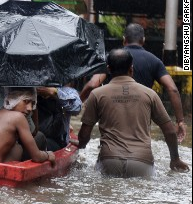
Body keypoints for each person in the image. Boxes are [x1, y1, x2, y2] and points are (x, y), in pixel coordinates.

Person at [77, 49, 189, 177]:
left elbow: (85, 134)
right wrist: (175, 159)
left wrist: (78, 147)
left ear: (108, 69)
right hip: (142, 162)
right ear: (131, 69)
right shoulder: (149, 94)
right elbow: (169, 131)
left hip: (109, 161)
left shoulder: (97, 95)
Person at [80, 23, 187, 142]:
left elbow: (92, 84)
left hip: (112, 116)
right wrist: (180, 121)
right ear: (143, 40)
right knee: (141, 145)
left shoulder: (112, 58)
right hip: (141, 119)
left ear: (124, 40)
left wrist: (76, 104)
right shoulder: (154, 61)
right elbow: (172, 89)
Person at [36, 85, 82, 151]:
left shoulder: (65, 90)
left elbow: (76, 108)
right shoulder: (29, 89)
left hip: (57, 140)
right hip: (34, 136)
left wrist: (55, 93)